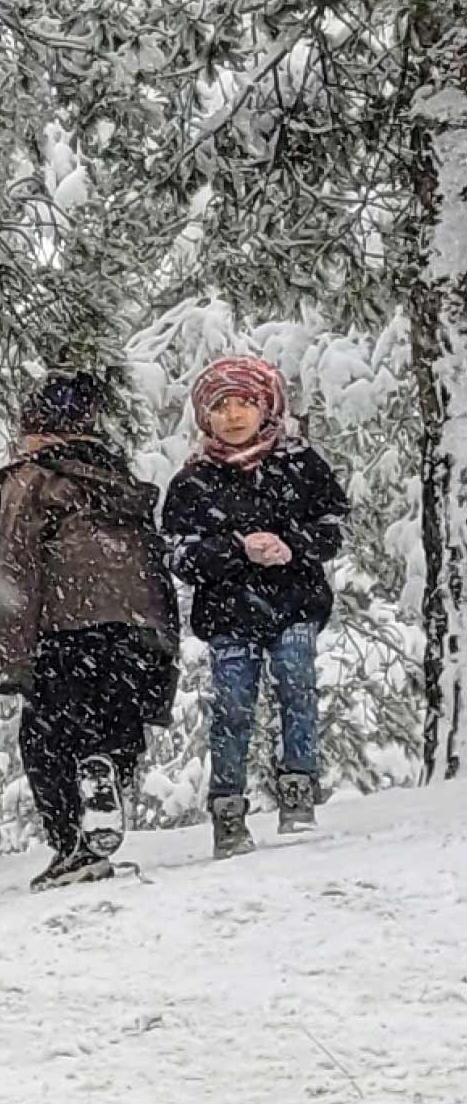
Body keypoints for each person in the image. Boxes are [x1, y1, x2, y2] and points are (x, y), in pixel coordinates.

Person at [0, 372, 179, 889]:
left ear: (40, 429)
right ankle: (106, 774)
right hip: (135, 626)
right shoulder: (116, 479)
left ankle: (71, 842)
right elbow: (152, 564)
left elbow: (17, 567)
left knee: (46, 736)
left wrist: (12, 663)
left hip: (69, 625)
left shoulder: (33, 478)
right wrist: (162, 651)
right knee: (114, 724)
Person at [161, 355, 349, 858]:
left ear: (267, 406)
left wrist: (293, 546)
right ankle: (228, 809)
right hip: (227, 616)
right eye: (221, 406)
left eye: (246, 402)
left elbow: (336, 526)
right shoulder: (193, 481)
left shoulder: (301, 465)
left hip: (294, 605)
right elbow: (179, 554)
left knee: (297, 689)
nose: (235, 415)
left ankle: (299, 792)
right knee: (233, 709)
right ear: (205, 416)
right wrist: (235, 550)